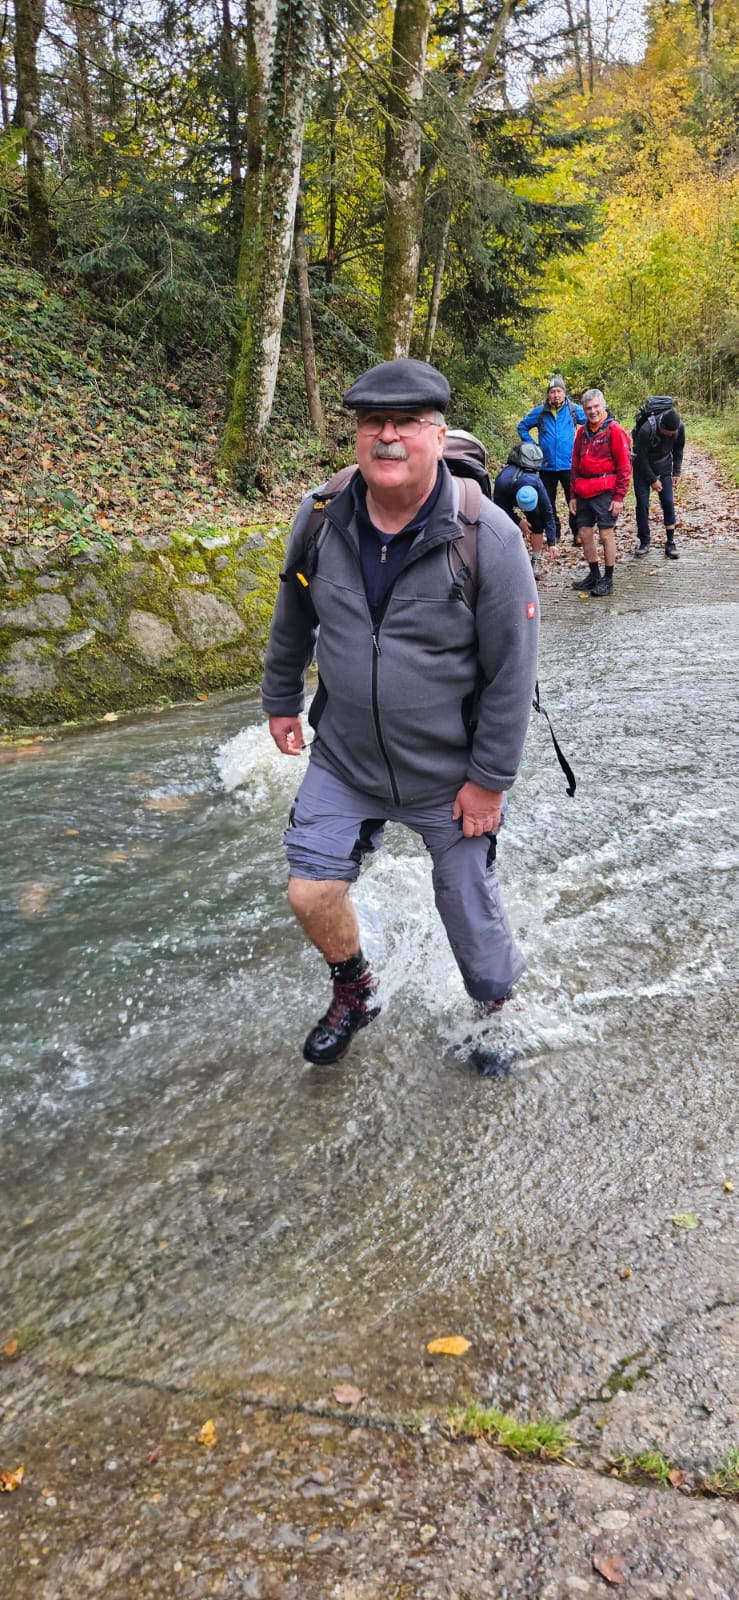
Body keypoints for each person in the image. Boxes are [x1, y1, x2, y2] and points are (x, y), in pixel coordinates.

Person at [261, 357, 539, 1071]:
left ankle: (492, 1015)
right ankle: (355, 990)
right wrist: (280, 699)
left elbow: (512, 673)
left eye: (404, 423)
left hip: (448, 770)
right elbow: (293, 609)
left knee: (467, 913)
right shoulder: (322, 516)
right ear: (355, 434)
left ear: (436, 433)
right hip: (346, 755)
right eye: (370, 423)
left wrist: (489, 779)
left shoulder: (489, 537)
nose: (386, 437)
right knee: (309, 889)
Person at [569, 389, 632, 598]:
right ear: (584, 411)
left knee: (606, 534)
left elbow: (624, 466)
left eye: (596, 407)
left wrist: (619, 497)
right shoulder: (581, 433)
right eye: (588, 408)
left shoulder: (614, 431)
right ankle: (594, 575)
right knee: (585, 534)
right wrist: (572, 495)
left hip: (606, 490)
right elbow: (575, 464)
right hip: (583, 490)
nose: (593, 411)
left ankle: (608, 578)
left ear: (603, 406)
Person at [517, 375, 586, 545]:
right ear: (548, 395)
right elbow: (522, 426)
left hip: (569, 464)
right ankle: (554, 533)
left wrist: (586, 444)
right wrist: (533, 446)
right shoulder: (540, 411)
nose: (556, 395)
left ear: (564, 393)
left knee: (574, 499)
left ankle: (577, 533)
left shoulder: (574, 409)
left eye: (559, 391)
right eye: (552, 392)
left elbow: (593, 421)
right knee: (548, 502)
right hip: (546, 465)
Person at [493, 447, 556, 580]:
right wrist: (518, 521)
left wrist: (552, 543)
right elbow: (500, 508)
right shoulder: (502, 482)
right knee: (504, 525)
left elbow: (548, 513)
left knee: (537, 522)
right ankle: (508, 562)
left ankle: (535, 561)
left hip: (525, 491)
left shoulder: (537, 485)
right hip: (507, 496)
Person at [632, 406, 685, 559]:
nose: (672, 435)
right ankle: (644, 541)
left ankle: (670, 541)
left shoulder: (679, 428)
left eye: (673, 432)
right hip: (642, 468)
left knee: (668, 501)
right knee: (642, 504)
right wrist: (653, 480)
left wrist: (676, 471)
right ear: (662, 427)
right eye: (669, 432)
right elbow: (641, 458)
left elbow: (678, 450)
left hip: (664, 466)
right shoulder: (646, 430)